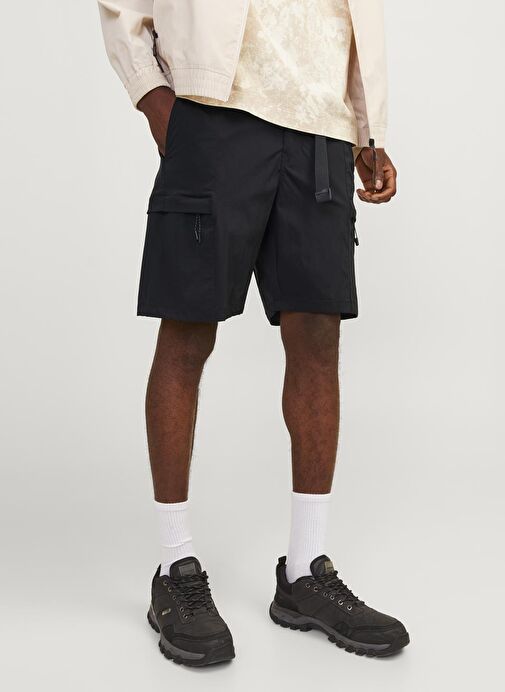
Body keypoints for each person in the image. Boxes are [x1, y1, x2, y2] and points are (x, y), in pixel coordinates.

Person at [98, 0, 409, 667]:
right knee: (187, 333)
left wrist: (366, 129)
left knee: (317, 340)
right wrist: (154, 98)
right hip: (215, 112)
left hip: (322, 127)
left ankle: (304, 572)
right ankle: (175, 568)